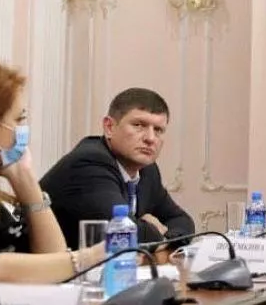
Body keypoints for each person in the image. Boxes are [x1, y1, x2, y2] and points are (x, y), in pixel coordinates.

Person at [0, 54, 105, 282]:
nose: (22, 129)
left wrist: (25, 180)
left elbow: (51, 262)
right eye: (18, 120)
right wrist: (91, 257)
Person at [40, 88, 195, 251]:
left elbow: (182, 221)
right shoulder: (89, 163)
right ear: (109, 127)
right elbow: (123, 234)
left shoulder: (147, 170)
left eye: (158, 130)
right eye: (139, 125)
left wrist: (162, 238)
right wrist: (155, 232)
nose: (150, 138)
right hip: (45, 265)